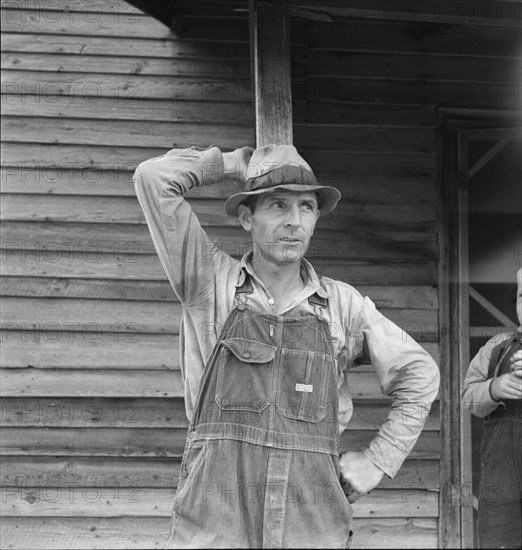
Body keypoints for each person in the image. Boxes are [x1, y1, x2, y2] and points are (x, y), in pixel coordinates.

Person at [133, 144, 440, 548]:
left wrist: (378, 460)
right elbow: (152, 179)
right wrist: (228, 164)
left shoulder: (342, 306)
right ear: (247, 217)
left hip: (309, 516)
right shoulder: (208, 281)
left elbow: (421, 373)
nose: (294, 221)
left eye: (307, 207)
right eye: (278, 205)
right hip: (217, 513)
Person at [461, 267, 522, 549]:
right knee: (497, 536)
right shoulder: (497, 346)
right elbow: (467, 397)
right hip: (501, 475)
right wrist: (493, 388)